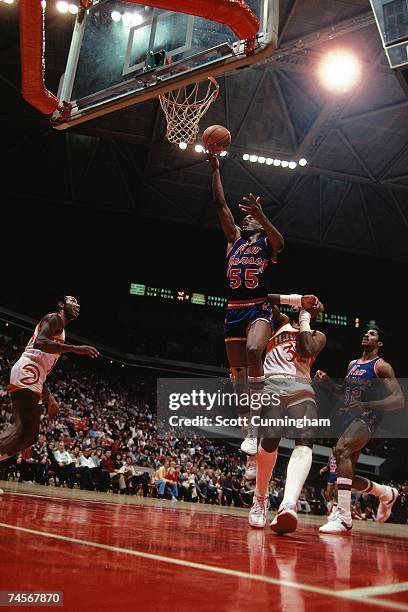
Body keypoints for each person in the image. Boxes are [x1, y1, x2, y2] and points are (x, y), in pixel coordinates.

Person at [208, 153, 284, 455]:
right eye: (248, 216)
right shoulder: (234, 240)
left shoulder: (267, 243)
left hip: (258, 307)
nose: (247, 218)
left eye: (252, 217)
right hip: (233, 310)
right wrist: (215, 169)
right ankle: (249, 428)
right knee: (237, 373)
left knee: (255, 351)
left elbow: (281, 243)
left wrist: (262, 215)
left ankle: (258, 418)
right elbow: (221, 205)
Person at [248, 300, 326, 532]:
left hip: (301, 386)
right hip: (273, 384)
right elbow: (263, 298)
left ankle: (288, 504)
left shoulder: (318, 335)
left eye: (316, 305)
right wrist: (295, 299)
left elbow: (307, 350)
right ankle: (260, 499)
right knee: (271, 438)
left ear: (316, 314)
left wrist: (305, 318)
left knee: (306, 438)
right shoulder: (279, 323)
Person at [317, 327, 404, 534]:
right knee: (344, 477)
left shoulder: (381, 367)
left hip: (368, 418)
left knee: (341, 450)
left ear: (380, 344)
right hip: (349, 418)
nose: (367, 335)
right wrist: (328, 383)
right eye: (366, 333)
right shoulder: (352, 364)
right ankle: (385, 493)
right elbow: (344, 394)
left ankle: (345, 518)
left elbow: (398, 399)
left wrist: (368, 405)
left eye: (373, 334)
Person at [0, 296, 99, 461]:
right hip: (28, 369)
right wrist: (75, 348)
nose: (77, 305)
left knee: (29, 437)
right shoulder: (54, 318)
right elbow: (40, 342)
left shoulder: (61, 330)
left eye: (78, 303)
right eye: (73, 301)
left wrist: (50, 399)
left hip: (35, 375)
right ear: (61, 304)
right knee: (20, 429)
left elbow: (42, 368)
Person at [320, 447, 338, 515]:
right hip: (331, 475)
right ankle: (331, 504)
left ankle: (335, 509)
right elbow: (328, 466)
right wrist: (323, 469)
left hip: (337, 475)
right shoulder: (330, 456)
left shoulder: (339, 456)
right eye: (332, 449)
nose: (333, 450)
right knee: (328, 494)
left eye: (335, 449)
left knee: (336, 493)